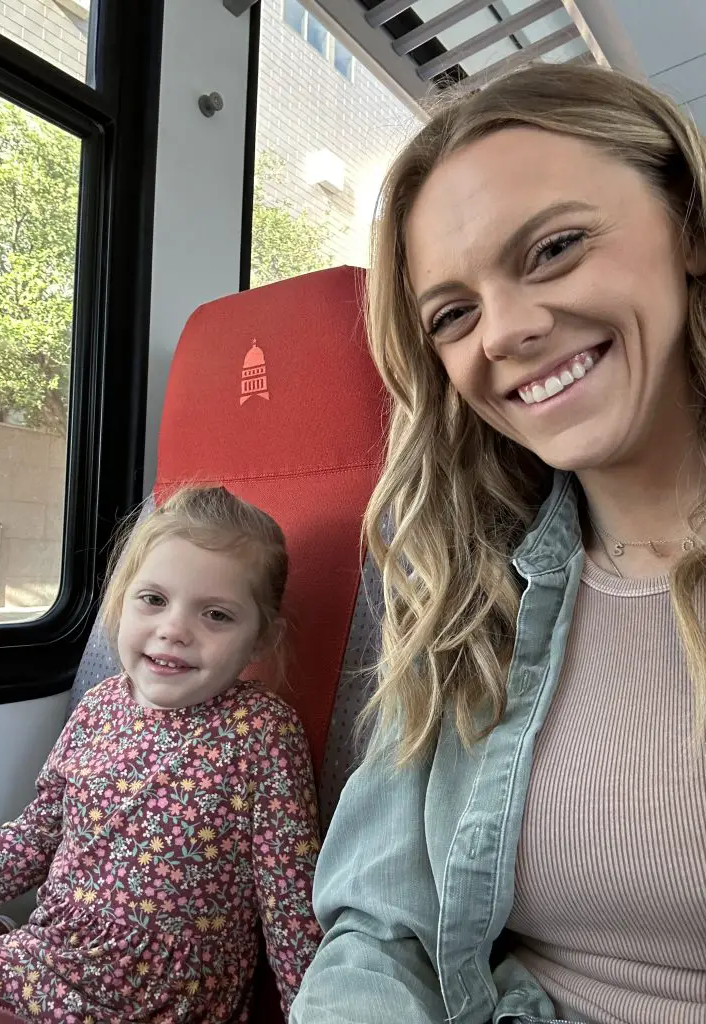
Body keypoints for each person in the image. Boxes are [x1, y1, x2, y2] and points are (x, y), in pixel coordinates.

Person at [290, 62, 706, 1024]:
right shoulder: (462, 591)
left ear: (686, 226)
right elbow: (381, 933)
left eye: (555, 249)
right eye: (454, 314)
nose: (509, 331)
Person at [0, 486, 322, 1024]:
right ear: (122, 601)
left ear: (259, 640)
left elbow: (289, 899)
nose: (174, 630)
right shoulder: (99, 707)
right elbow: (37, 835)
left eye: (215, 615)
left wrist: (311, 1011)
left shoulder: (263, 733)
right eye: (154, 600)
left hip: (159, 997)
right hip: (57, 953)